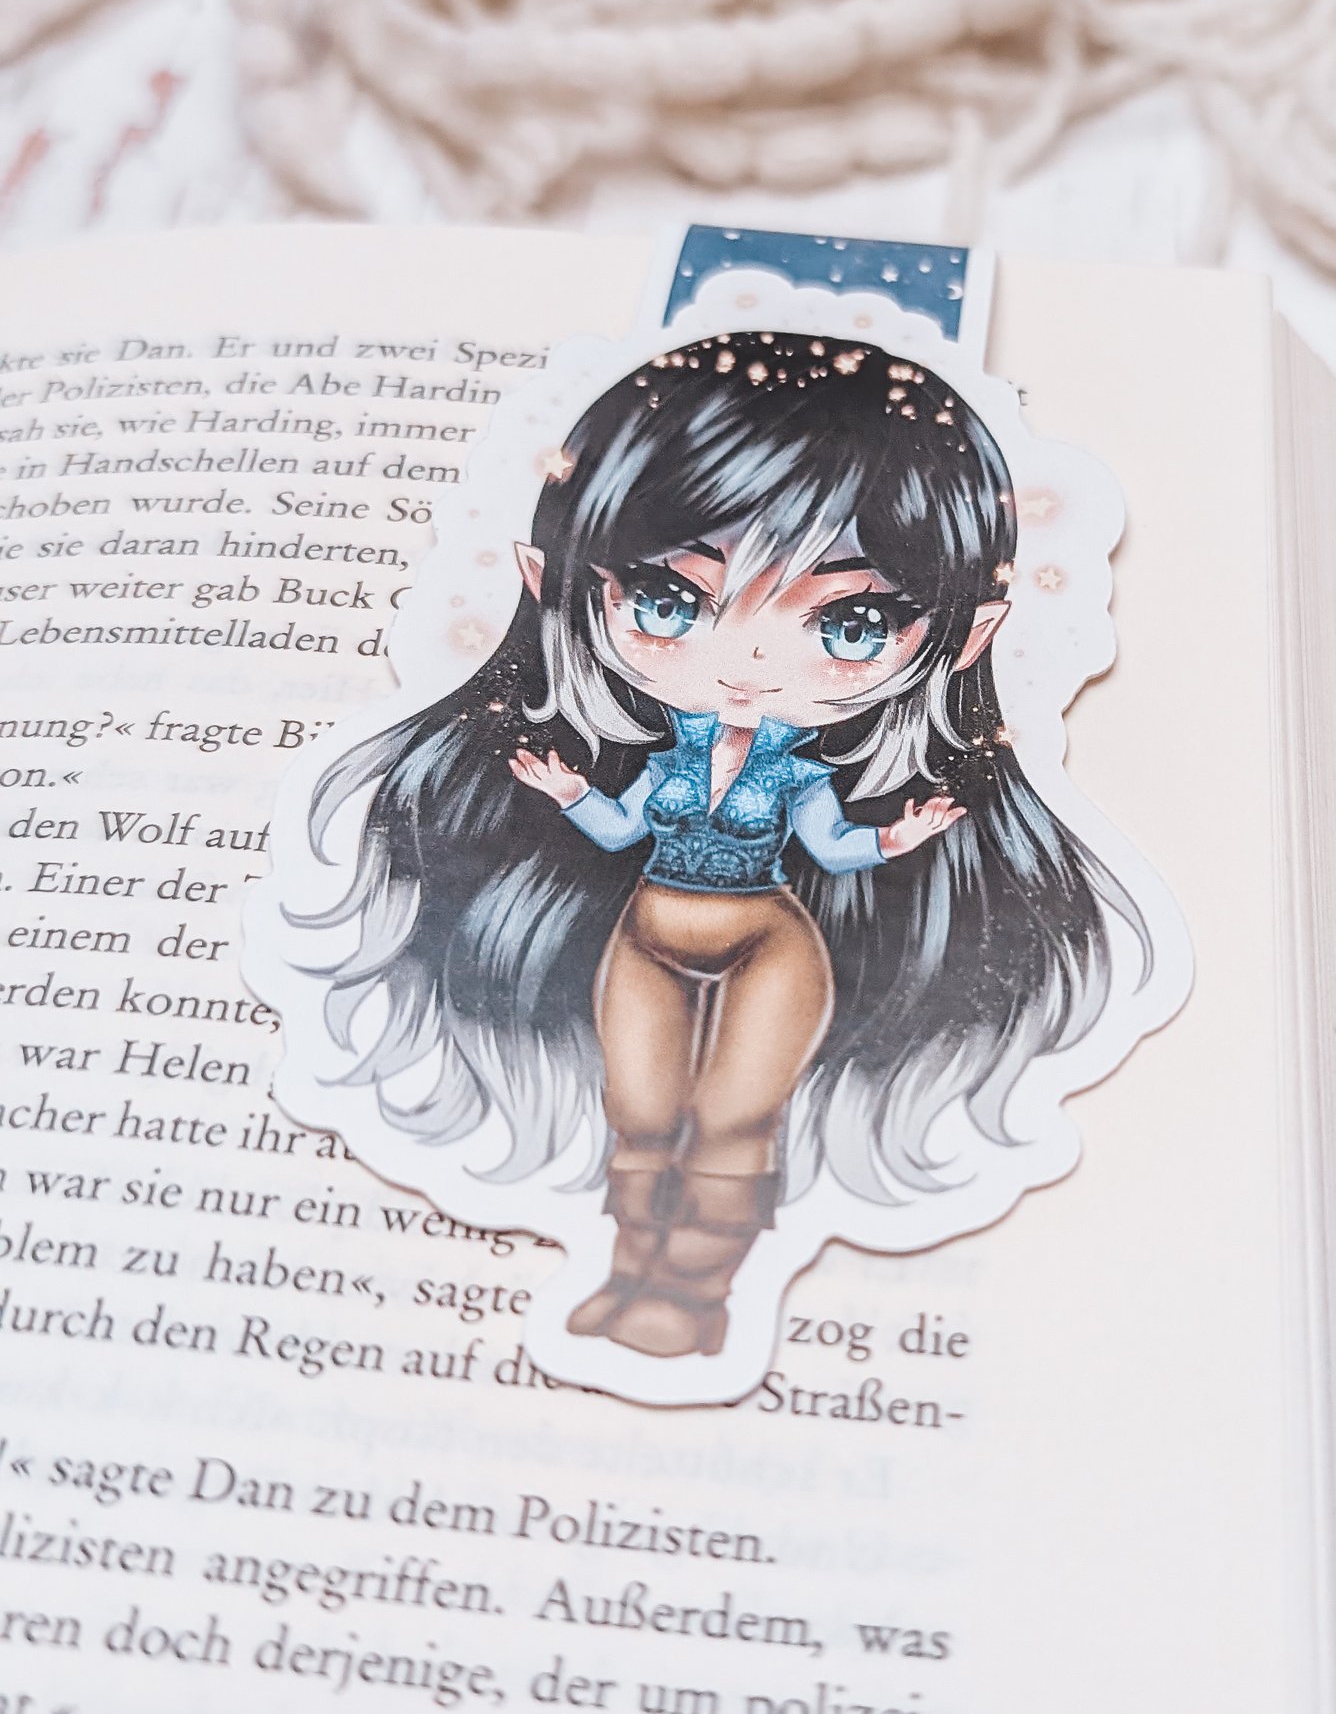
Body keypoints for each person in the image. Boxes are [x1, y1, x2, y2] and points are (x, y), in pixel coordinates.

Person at [301, 329, 1148, 1359]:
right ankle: (625, 1273)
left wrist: (900, 833)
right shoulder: (664, 761)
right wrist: (571, 790)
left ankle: (698, 1293)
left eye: (850, 623)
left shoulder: (798, 774)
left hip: (766, 942)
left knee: (735, 1121)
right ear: (553, 582)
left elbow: (832, 847)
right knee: (640, 1112)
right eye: (670, 602)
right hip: (650, 932)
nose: (746, 660)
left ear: (963, 639)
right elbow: (621, 828)